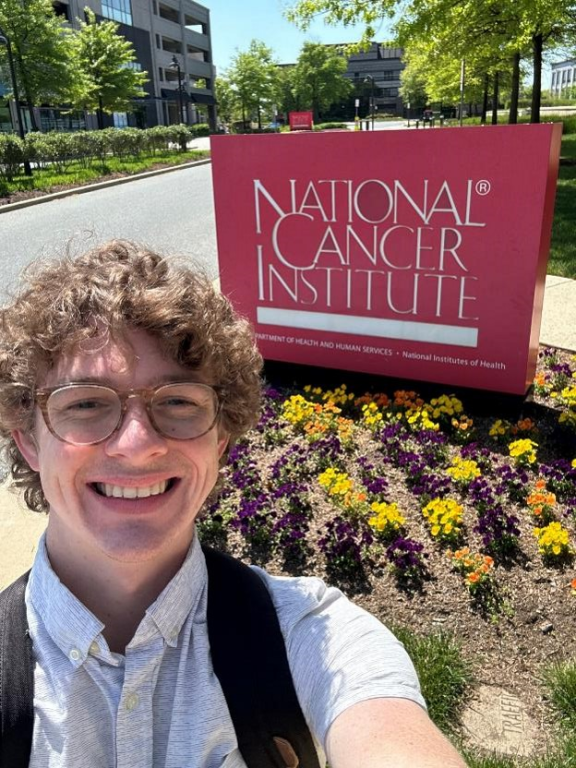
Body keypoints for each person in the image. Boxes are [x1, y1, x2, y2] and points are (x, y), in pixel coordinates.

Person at [0, 241, 467, 768]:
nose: (137, 443)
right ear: (28, 439)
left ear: (220, 439)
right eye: (85, 403)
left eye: (178, 401)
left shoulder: (309, 636)